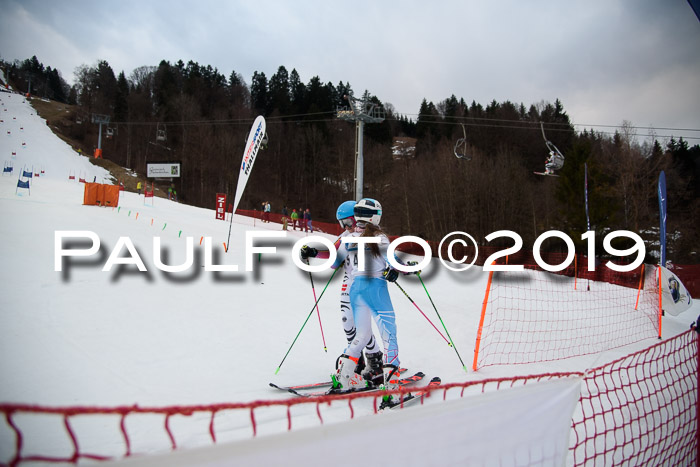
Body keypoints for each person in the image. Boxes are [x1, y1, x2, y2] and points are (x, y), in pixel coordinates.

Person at [301, 201, 383, 386]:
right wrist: (313, 252)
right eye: (342, 223)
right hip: (348, 285)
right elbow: (332, 256)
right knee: (348, 323)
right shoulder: (345, 237)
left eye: (348, 221)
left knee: (362, 327)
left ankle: (375, 359)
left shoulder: (369, 235)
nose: (346, 227)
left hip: (365, 285)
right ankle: (357, 360)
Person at [329, 198, 403, 394]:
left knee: (361, 336)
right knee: (389, 336)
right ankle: (391, 387)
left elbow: (333, 264)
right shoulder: (379, 237)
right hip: (375, 289)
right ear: (375, 216)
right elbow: (395, 263)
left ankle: (343, 378)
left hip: (356, 291)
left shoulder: (348, 237)